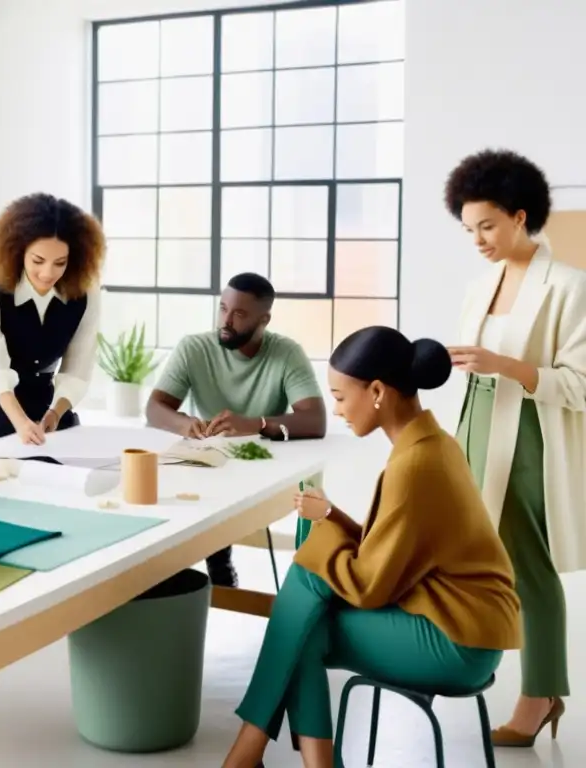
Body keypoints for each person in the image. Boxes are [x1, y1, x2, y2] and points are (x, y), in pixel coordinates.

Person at [221, 326, 522, 768]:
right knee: (306, 622)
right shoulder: (431, 444)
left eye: (341, 397)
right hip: (464, 626)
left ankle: (250, 750)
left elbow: (369, 586)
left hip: (456, 640)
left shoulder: (416, 463)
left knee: (303, 606)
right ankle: (267, 755)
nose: (337, 410)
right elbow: (394, 547)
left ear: (378, 391)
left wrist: (322, 538)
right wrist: (332, 519)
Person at [444, 148, 586, 746]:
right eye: (469, 228)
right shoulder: (483, 283)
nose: (477, 239)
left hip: (529, 432)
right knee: (481, 555)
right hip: (475, 423)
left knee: (528, 563)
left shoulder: (570, 287)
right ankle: (472, 662)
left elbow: (578, 384)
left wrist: (507, 365)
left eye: (488, 226)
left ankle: (541, 695)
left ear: (520, 216)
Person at [146, 272, 327, 586]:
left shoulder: (286, 353)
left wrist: (255, 424)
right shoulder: (194, 348)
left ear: (264, 319)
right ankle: (196, 568)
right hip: (209, 463)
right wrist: (185, 424)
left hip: (264, 466)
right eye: (223, 309)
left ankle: (228, 568)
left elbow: (315, 420)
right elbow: (154, 408)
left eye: (239, 314)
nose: (226, 321)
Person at [0, 192, 106, 445]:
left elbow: (78, 368)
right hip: (0, 407)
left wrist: (55, 412)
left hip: (50, 409)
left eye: (60, 263)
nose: (47, 273)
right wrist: (21, 423)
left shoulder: (85, 296)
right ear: (18, 251)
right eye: (38, 260)